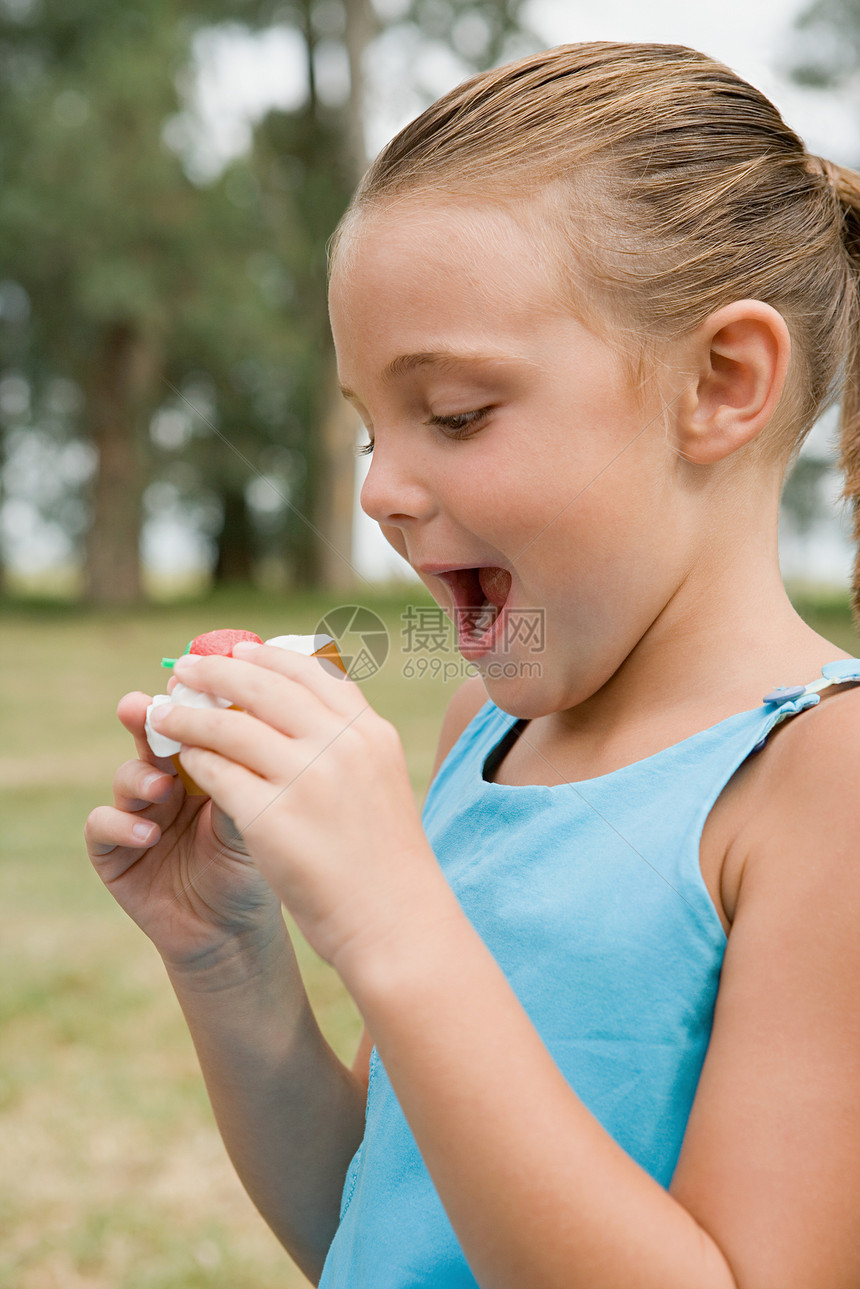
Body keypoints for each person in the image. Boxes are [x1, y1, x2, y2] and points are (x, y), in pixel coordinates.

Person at [85, 41, 860, 1289]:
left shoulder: (824, 778)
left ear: (721, 384)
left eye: (452, 413)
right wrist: (225, 951)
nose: (381, 491)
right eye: (367, 428)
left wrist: (393, 916)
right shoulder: (485, 735)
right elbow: (386, 1227)